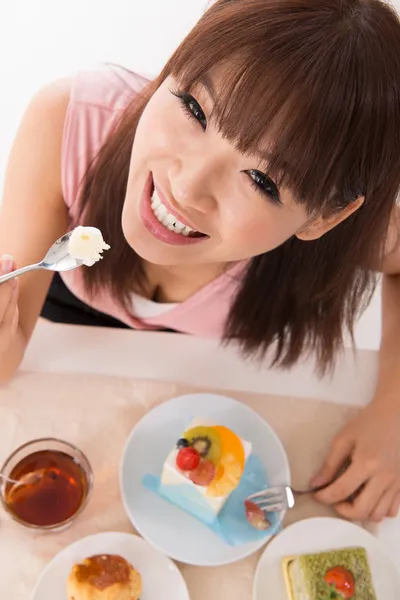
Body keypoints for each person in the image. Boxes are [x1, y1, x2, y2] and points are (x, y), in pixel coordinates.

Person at [1, 0, 400, 522]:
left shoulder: (348, 235)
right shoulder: (71, 126)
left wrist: (392, 410)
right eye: (194, 108)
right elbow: (10, 354)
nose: (185, 187)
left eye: (262, 180)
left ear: (323, 217)